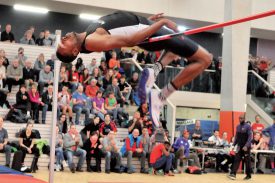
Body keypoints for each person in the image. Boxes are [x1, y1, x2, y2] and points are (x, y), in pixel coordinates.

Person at [228, 114, 252, 180]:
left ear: (244, 119)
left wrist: (246, 146)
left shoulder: (248, 126)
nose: (240, 119)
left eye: (241, 118)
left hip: (246, 147)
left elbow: (250, 137)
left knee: (247, 161)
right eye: (239, 118)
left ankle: (248, 175)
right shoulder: (238, 126)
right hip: (239, 146)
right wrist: (233, 145)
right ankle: (233, 173)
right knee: (237, 159)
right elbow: (237, 137)